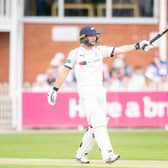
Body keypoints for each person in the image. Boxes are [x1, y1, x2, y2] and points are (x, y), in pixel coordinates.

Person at [47, 25, 154, 164]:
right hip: (86, 92)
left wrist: (138, 45)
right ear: (83, 37)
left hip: (100, 91)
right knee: (98, 123)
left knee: (96, 125)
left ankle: (80, 154)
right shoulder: (75, 53)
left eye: (95, 35)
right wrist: (55, 89)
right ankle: (108, 154)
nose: (94, 38)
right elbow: (65, 71)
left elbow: (119, 49)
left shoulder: (100, 50)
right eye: (91, 36)